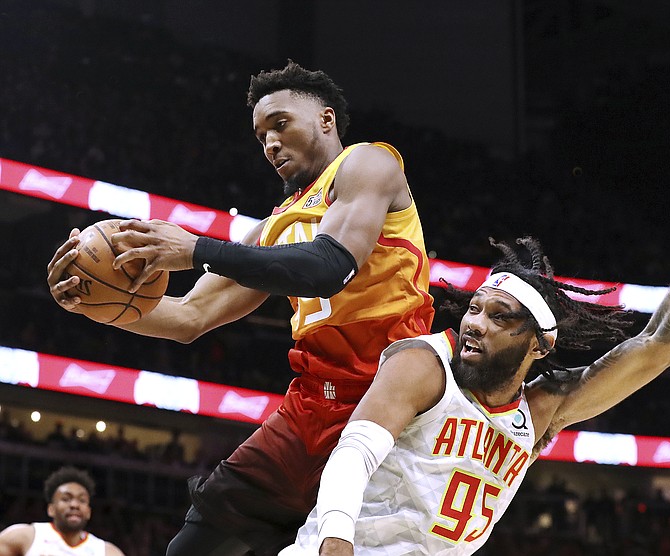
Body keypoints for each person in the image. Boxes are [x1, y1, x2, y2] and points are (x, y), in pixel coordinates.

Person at [278, 146, 670, 555]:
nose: (475, 323)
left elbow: (659, 345)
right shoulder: (424, 364)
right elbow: (355, 453)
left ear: (540, 343)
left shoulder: (541, 409)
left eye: (500, 317)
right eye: (475, 308)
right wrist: (336, 540)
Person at [45, 61, 434, 555]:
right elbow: (189, 317)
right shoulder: (273, 227)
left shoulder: (367, 164)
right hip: (312, 404)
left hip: (390, 401)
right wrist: (94, 306)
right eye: (260, 135)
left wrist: (196, 249)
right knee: (190, 548)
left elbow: (329, 266)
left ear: (327, 120)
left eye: (280, 124)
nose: (269, 142)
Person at [0, 465, 125, 556]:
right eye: (66, 499)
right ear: (51, 509)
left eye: (82, 500)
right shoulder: (26, 537)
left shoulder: (105, 551)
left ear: (88, 512)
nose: (74, 505)